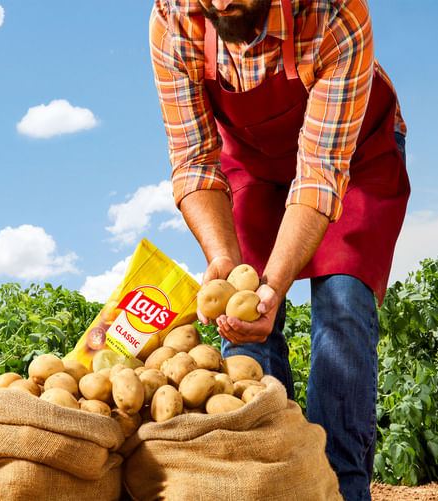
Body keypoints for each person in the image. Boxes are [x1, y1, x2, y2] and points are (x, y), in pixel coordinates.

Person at [149, 0, 410, 499]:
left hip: (353, 158)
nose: (222, 4)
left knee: (342, 303)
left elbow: (319, 172)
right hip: (251, 163)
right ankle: (265, 481)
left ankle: (342, 487)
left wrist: (275, 282)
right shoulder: (175, 15)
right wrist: (224, 261)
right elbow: (194, 159)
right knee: (242, 322)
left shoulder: (335, 14)